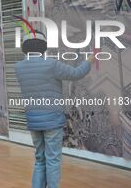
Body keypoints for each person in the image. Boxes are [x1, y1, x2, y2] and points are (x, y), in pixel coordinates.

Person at [15, 31, 92, 188]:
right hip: (52, 120)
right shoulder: (51, 64)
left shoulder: (19, 67)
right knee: (53, 160)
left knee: (40, 159)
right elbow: (77, 73)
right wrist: (89, 61)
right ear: (43, 46)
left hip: (33, 120)